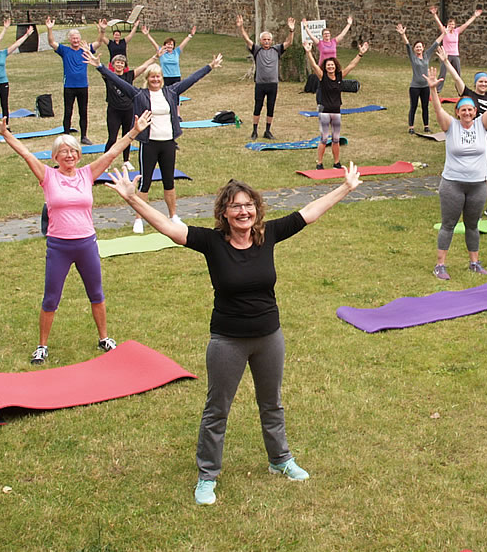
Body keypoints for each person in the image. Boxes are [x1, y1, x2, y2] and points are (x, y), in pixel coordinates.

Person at [104, 161, 362, 506]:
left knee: (272, 403)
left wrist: (345, 187)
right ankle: (207, 476)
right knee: (217, 409)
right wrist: (133, 200)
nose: (243, 211)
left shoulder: (268, 234)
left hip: (269, 336)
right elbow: (167, 226)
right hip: (227, 340)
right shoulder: (211, 242)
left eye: (248, 204)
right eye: (235, 206)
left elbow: (308, 213)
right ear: (224, 213)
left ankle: (280, 460)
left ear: (257, 208)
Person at [0, 108, 152, 365]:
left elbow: (112, 153)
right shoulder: (48, 176)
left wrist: (134, 132)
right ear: (55, 156)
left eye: (73, 151)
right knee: (51, 297)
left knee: (96, 293)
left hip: (86, 243)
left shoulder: (87, 174)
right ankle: (42, 345)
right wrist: (6, 133)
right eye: (64, 151)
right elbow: (26, 154)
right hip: (59, 246)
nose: (70, 155)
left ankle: (104, 338)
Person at [84, 48, 223, 231]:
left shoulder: (171, 92)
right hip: (149, 144)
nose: (155, 80)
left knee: (169, 181)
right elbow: (117, 80)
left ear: (161, 79)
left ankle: (173, 216)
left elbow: (191, 80)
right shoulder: (138, 94)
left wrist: (210, 67)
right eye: (152, 77)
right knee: (145, 182)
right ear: (147, 79)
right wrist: (100, 66)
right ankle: (139, 219)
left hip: (168, 143)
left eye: (158, 77)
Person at [427, 57, 487, 280]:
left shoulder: (483, 125)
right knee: (448, 224)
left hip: (477, 186)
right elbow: (437, 110)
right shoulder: (450, 127)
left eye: (471, 109)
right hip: (453, 184)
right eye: (464, 110)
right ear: (458, 112)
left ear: (475, 112)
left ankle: (474, 262)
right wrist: (433, 90)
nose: (468, 113)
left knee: (473, 225)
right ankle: (440, 265)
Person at [437, 51, 487, 218]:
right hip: (474, 140)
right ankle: (471, 204)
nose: (484, 84)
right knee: (478, 176)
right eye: (481, 81)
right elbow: (457, 79)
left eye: (486, 81)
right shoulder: (468, 95)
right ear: (475, 83)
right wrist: (446, 62)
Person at [302, 39, 367, 170]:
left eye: (332, 65)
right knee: (324, 138)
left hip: (336, 111)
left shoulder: (339, 76)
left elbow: (351, 65)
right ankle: (319, 163)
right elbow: (314, 65)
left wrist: (360, 54)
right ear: (325, 67)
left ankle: (336, 162)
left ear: (335, 66)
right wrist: (308, 52)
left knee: (336, 139)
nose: (330, 67)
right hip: (325, 112)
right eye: (328, 65)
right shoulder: (322, 77)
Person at [236, 14, 295, 139]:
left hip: (273, 84)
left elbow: (289, 42)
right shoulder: (256, 49)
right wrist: (241, 27)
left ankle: (267, 131)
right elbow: (247, 39)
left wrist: (291, 30)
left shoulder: (277, 49)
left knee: (271, 107)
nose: (267, 41)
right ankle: (255, 131)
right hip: (260, 84)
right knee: (258, 107)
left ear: (271, 41)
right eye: (264, 39)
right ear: (261, 40)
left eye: (268, 39)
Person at [45, 17, 97, 145]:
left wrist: (102, 31)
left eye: (77, 38)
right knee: (68, 111)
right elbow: (52, 42)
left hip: (83, 86)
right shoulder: (65, 50)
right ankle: (66, 136)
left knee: (83, 111)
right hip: (69, 86)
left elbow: (99, 42)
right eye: (73, 38)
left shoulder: (85, 50)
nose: (75, 40)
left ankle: (84, 136)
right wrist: (49, 29)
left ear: (80, 39)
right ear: (70, 40)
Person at [426, 5, 483, 92]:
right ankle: (438, 89)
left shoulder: (457, 31)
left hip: (455, 55)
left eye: (453, 24)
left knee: (457, 74)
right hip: (446, 56)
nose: (451, 26)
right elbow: (439, 24)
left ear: (455, 25)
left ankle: (460, 89)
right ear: (447, 25)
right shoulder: (445, 31)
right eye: (450, 24)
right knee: (443, 74)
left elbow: (466, 24)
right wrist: (434, 15)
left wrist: (475, 16)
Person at [396, 23, 437, 134]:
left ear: (423, 48)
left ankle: (426, 126)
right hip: (415, 87)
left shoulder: (427, 55)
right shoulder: (413, 56)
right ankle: (411, 127)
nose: (418, 48)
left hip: (425, 86)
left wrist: (444, 33)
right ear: (414, 49)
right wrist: (403, 34)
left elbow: (435, 44)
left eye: (420, 47)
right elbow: (407, 45)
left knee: (425, 106)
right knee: (413, 106)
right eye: (417, 47)